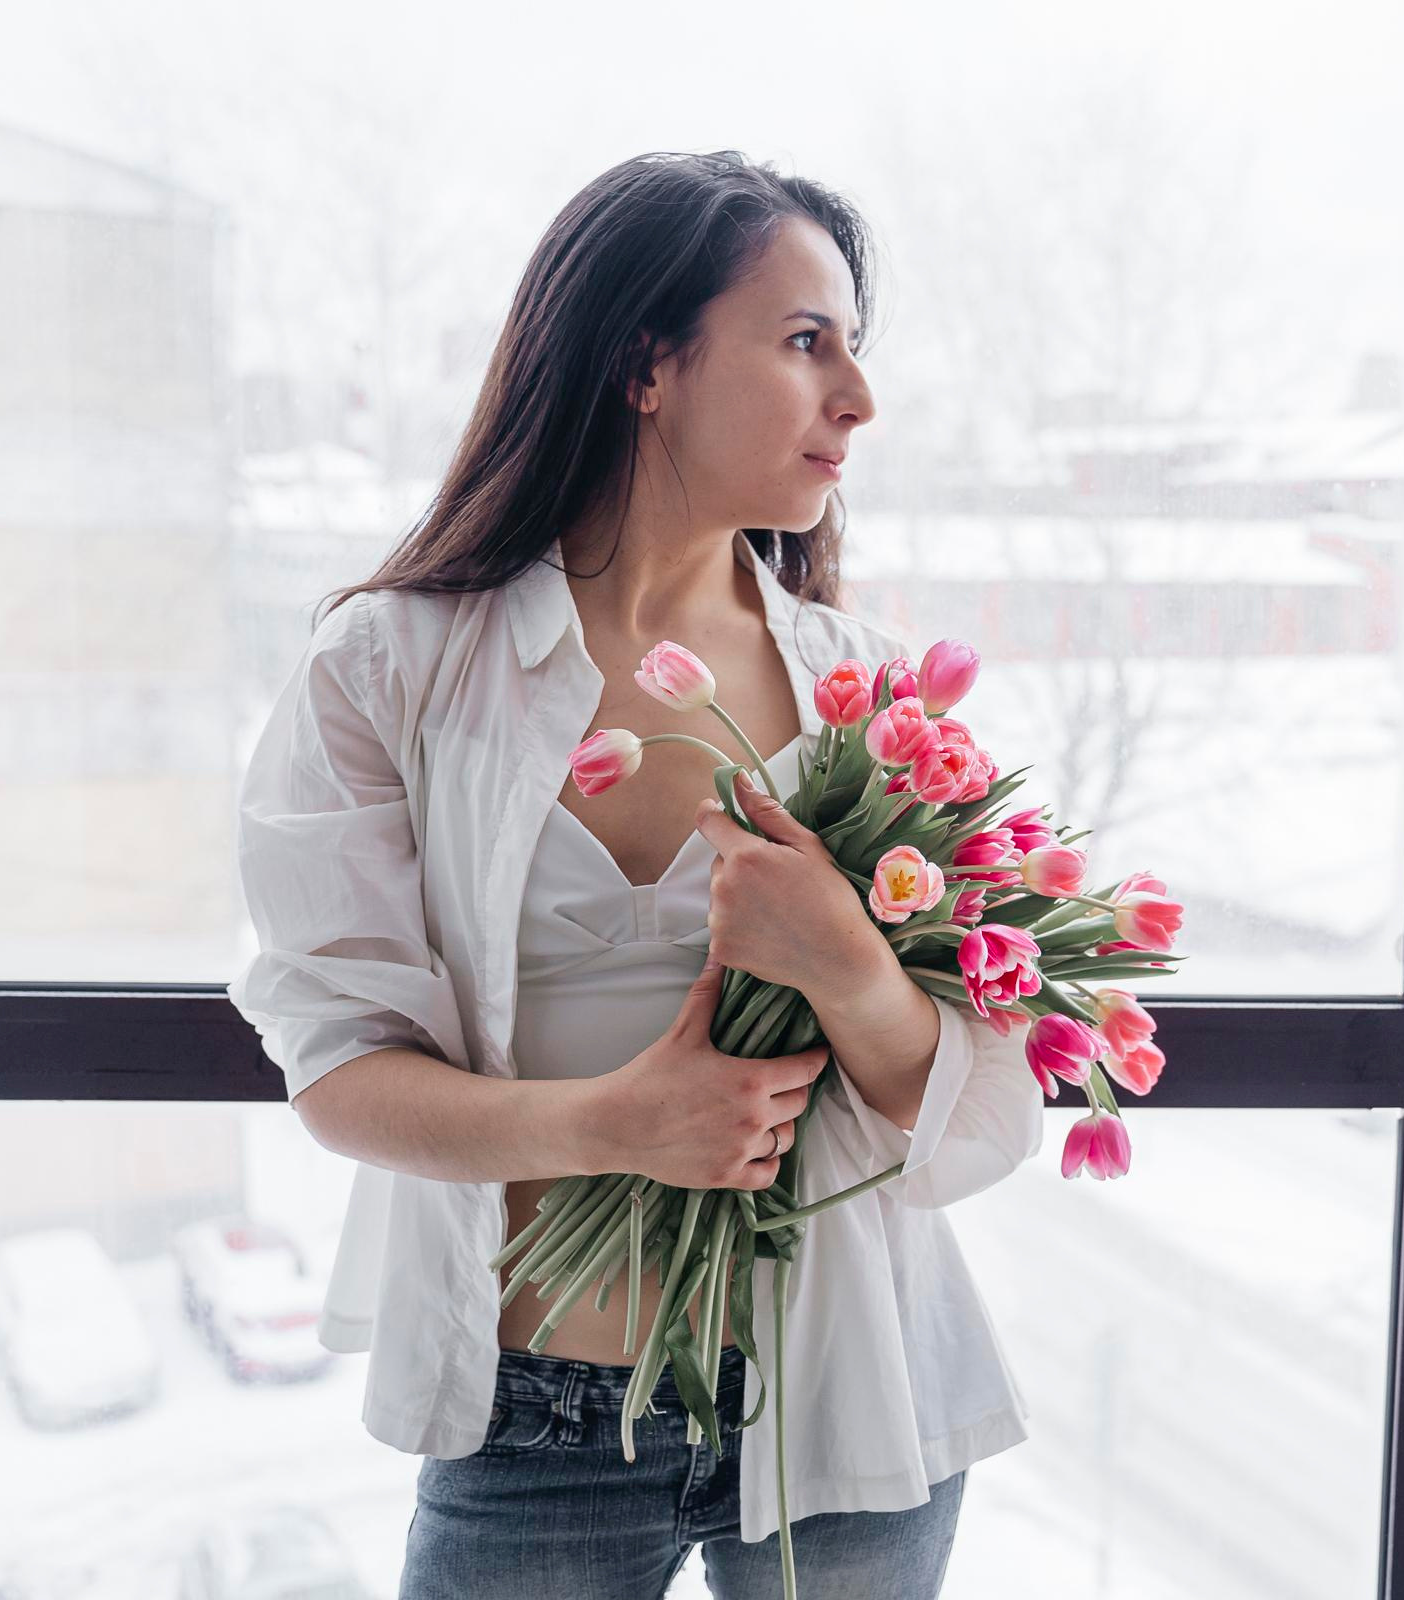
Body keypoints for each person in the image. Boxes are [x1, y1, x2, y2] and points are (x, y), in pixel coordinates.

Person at [224, 150, 1047, 1599]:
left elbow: (977, 1120)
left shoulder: (865, 697)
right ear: (644, 363)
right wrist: (620, 1120)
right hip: (535, 1424)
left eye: (855, 350)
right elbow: (339, 1069)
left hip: (852, 1401)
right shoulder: (392, 669)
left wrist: (849, 961)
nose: (857, 399)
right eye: (806, 343)